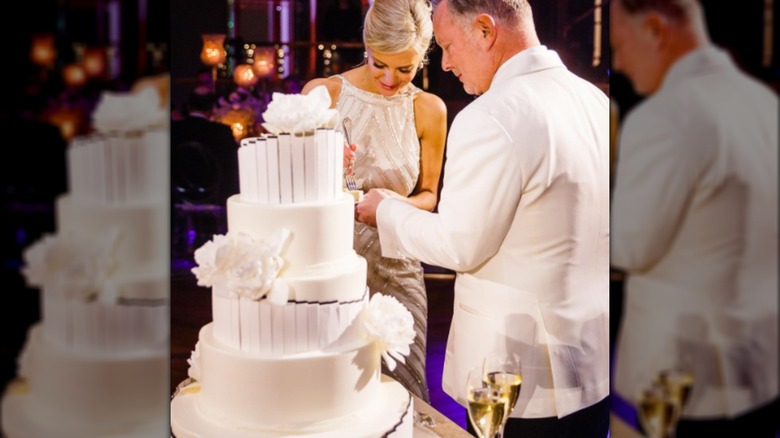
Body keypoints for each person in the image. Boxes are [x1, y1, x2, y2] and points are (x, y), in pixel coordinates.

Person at [355, 0, 610, 436]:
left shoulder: (491, 117)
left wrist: (385, 210)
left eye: (449, 46)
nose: (448, 63)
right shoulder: (595, 99)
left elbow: (459, 244)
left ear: (485, 31)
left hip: (520, 381)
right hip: (593, 367)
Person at [609, 0, 779, 436]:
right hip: (758, 373)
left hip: (683, 382)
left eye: (619, 46)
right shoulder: (764, 102)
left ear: (654, 30)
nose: (620, 64)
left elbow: (628, 248)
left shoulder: (664, 116)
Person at [301, 0, 447, 403]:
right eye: (379, 63)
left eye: (405, 69)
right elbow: (295, 187)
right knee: (337, 393)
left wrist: (389, 206)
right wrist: (325, 169)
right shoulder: (322, 95)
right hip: (329, 265)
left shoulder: (429, 109)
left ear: (423, 57)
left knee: (405, 391)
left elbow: (429, 196)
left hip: (398, 266)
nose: (390, 79)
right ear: (366, 45)